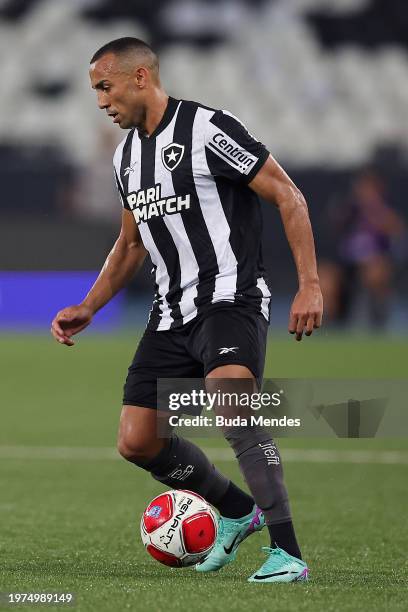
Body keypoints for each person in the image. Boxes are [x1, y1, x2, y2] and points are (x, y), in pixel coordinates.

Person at [50, 37, 323, 583]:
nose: (101, 101)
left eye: (106, 86)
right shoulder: (126, 155)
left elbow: (288, 195)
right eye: (95, 91)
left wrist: (310, 284)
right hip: (170, 313)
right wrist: (91, 305)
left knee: (232, 409)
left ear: (141, 78)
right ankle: (238, 510)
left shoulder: (207, 129)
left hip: (230, 300)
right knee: (137, 440)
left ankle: (288, 552)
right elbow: (131, 244)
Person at [318, 170, 404, 328]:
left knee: (375, 270)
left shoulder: (385, 211)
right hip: (348, 263)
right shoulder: (350, 210)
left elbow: (397, 231)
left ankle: (377, 319)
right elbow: (333, 222)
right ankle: (330, 324)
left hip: (375, 261)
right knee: (325, 276)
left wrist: (376, 213)